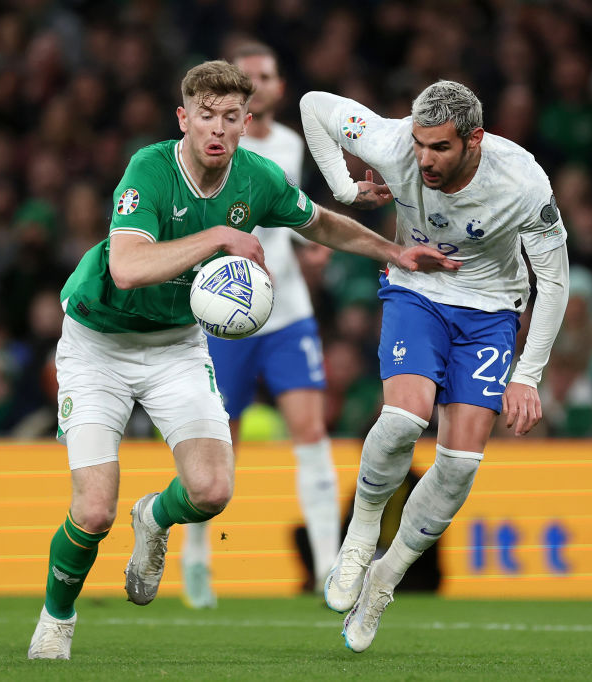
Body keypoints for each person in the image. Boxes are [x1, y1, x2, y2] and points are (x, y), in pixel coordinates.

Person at [27, 60, 456, 660]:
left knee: (210, 491)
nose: (218, 129)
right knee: (94, 511)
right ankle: (57, 618)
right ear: (184, 118)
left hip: (175, 345)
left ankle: (153, 517)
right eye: (206, 116)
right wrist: (219, 238)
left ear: (246, 123)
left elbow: (319, 224)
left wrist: (393, 251)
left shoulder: (257, 178)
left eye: (231, 117)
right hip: (99, 343)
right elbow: (126, 268)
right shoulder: (150, 170)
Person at [300, 80, 570, 652]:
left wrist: (528, 375)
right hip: (417, 290)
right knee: (403, 420)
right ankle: (360, 536)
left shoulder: (523, 182)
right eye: (420, 144)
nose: (424, 159)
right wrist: (344, 188)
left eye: (440, 147)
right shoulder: (393, 141)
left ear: (475, 139)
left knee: (460, 466)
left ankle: (384, 580)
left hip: (491, 311)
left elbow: (554, 280)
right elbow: (313, 106)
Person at [179, 42, 340, 609]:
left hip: (287, 310)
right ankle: (196, 558)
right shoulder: (213, 147)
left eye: (266, 76)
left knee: (311, 431)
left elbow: (283, 214)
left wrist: (308, 249)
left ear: (278, 87)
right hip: (226, 315)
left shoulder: (292, 144)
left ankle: (329, 569)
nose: (258, 84)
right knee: (220, 446)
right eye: (247, 77)